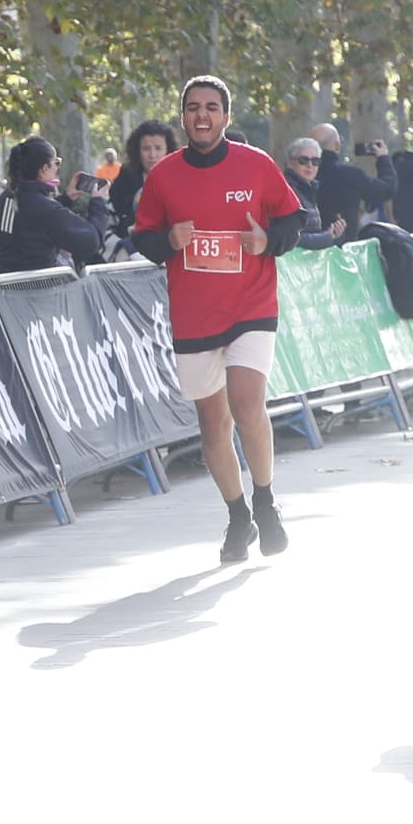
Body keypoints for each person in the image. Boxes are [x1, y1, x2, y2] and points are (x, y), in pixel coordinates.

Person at [131, 77, 308, 563]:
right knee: (212, 427)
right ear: (183, 117)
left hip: (251, 306)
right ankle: (238, 516)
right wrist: (170, 240)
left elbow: (296, 220)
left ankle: (266, 501)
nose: (202, 116)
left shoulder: (256, 165)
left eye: (211, 107)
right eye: (192, 108)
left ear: (227, 117)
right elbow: (143, 239)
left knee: (247, 403)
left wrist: (265, 241)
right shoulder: (164, 176)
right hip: (194, 316)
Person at [0, 138, 104, 274]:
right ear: (45, 169)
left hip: (7, 287)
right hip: (42, 288)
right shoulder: (43, 207)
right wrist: (98, 203)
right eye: (56, 163)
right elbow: (91, 241)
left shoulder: (7, 198)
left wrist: (66, 199)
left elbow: (32, 223)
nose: (58, 168)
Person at [309, 123, 394, 234]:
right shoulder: (351, 174)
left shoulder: (299, 174)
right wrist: (383, 158)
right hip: (343, 245)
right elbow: (387, 189)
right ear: (337, 145)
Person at [107, 120, 176, 234]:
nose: (152, 155)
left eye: (158, 148)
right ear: (137, 151)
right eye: (146, 149)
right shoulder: (126, 175)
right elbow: (113, 210)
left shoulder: (180, 178)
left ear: (168, 150)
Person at [279, 140, 342, 247]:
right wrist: (327, 238)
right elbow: (289, 237)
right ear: (289, 163)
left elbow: (310, 233)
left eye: (315, 161)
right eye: (303, 160)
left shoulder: (309, 190)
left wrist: (333, 234)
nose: (310, 165)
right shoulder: (286, 191)